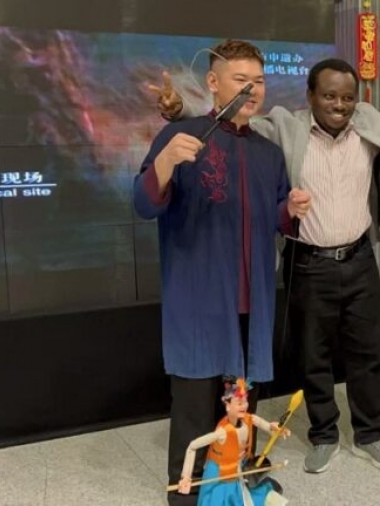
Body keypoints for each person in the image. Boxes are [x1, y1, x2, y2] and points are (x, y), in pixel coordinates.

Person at [152, 58, 380, 474]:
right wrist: (182, 111)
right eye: (330, 96)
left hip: (360, 258)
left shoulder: (369, 121)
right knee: (313, 357)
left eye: (347, 97)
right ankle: (323, 434)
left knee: (366, 354)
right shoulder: (285, 125)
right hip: (308, 261)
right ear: (311, 96)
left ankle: (369, 434)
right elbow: (236, 116)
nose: (339, 104)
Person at [134, 39, 310, 506]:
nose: (253, 90)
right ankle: (188, 493)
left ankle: (237, 480)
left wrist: (290, 209)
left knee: (241, 403)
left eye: (259, 81)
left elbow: (275, 216)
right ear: (213, 82)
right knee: (194, 405)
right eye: (241, 80)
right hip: (198, 296)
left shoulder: (268, 152)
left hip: (253, 296)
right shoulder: (182, 137)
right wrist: (166, 162)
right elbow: (144, 203)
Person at [177, 377, 290, 506]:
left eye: (245, 401)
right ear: (228, 405)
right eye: (239, 403)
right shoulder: (222, 432)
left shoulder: (249, 419)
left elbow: (268, 427)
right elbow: (192, 446)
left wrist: (274, 428)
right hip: (220, 472)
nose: (244, 405)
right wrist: (186, 477)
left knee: (243, 494)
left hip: (239, 467)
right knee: (220, 499)